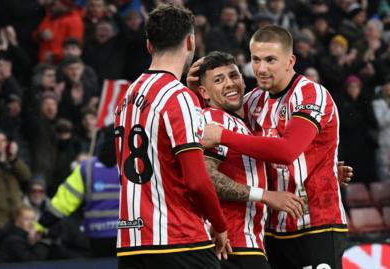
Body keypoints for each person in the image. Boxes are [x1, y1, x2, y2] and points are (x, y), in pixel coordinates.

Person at [202, 25, 347, 269]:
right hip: (272, 230)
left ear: (290, 61)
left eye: (270, 60)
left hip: (317, 224)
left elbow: (287, 151)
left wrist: (222, 136)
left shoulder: (311, 95)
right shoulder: (254, 100)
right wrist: (194, 87)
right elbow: (217, 108)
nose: (261, 68)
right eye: (256, 60)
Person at [114, 5, 229, 269]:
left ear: (148, 45)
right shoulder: (178, 96)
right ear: (190, 41)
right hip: (178, 238)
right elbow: (197, 180)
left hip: (131, 242)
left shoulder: (127, 96)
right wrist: (220, 225)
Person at [196, 51, 306, 269]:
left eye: (233, 76)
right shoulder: (213, 120)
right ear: (204, 92)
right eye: (219, 80)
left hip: (248, 244)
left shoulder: (242, 125)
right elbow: (206, 176)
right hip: (228, 246)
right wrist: (265, 196)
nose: (229, 84)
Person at [36, 126, 119, 257]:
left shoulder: (87, 168)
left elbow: (63, 203)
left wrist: (40, 226)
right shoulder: (137, 166)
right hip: (129, 235)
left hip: (96, 236)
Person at [0, 128, 31, 259]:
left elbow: (26, 176)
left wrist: (13, 159)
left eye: (4, 140)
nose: (0, 143)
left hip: (14, 220)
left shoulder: (11, 162)